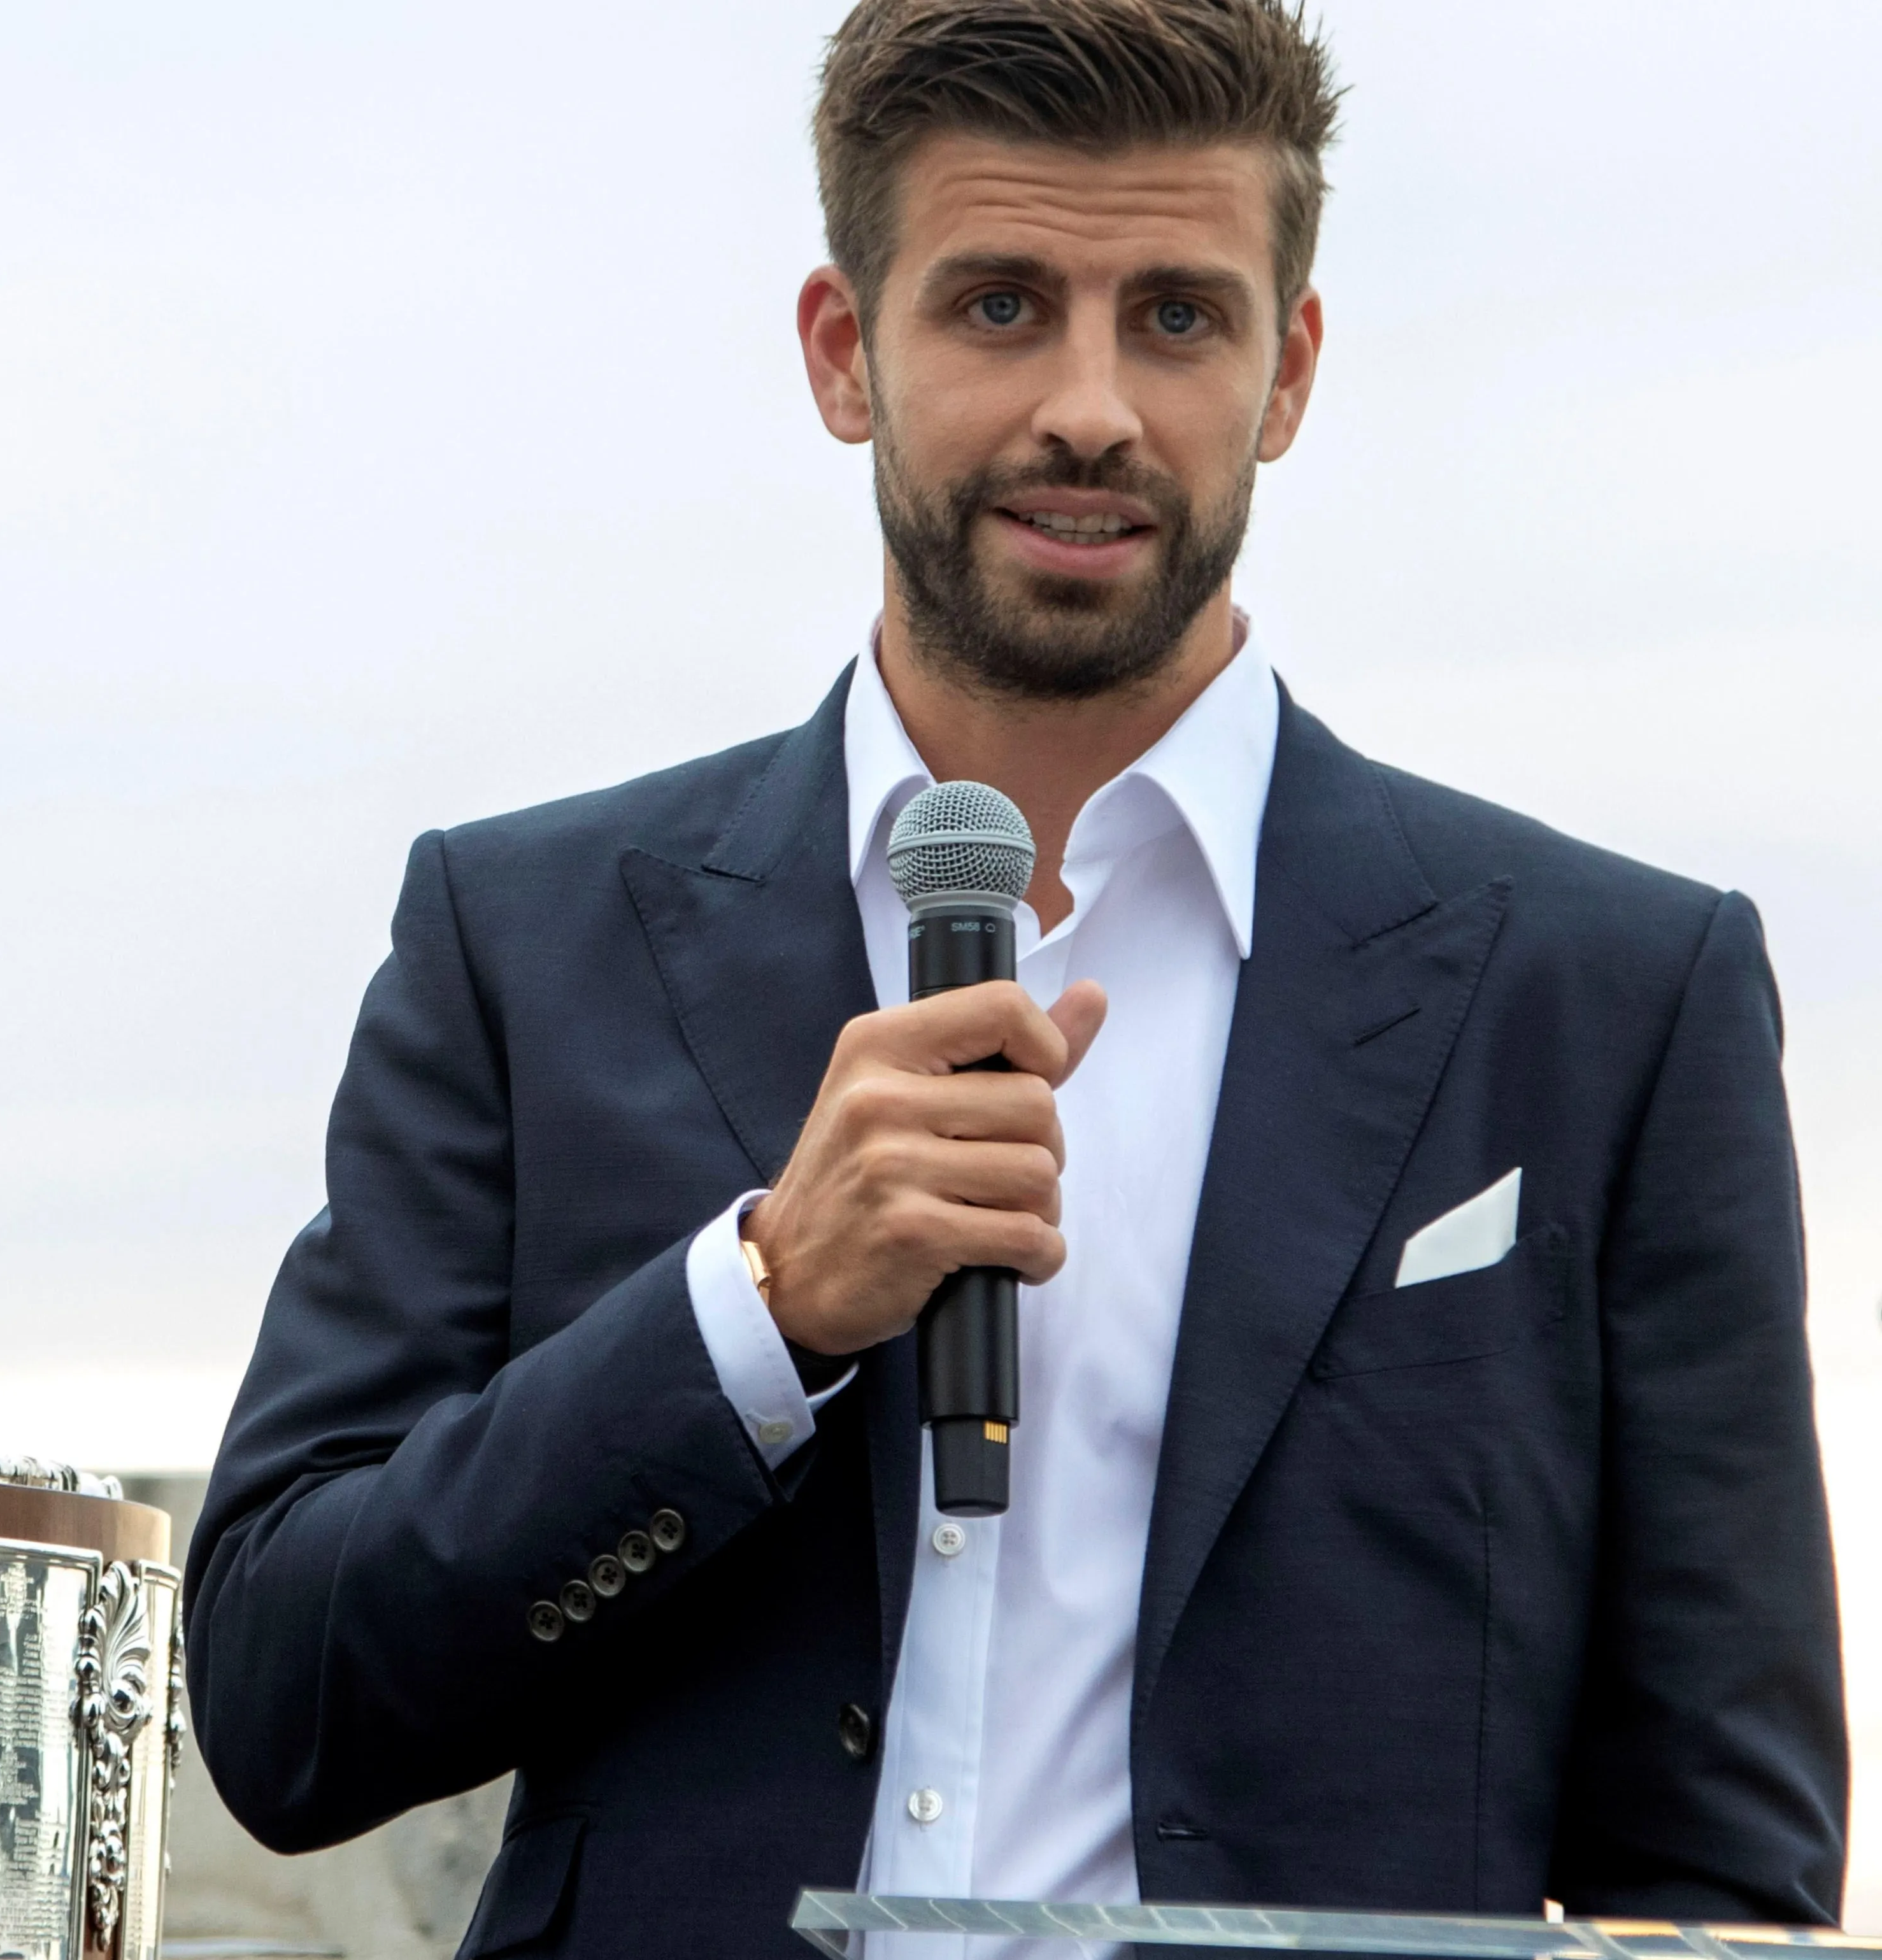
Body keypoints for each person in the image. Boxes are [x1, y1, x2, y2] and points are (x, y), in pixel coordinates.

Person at [182, 5, 1844, 1956]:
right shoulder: (521, 940)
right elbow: (281, 1702)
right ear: (842, 352)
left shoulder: (1615, 1005)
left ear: (1289, 371)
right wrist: (755, 1313)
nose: (1091, 407)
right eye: (996, 306)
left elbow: (1721, 1881)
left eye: (1177, 317)